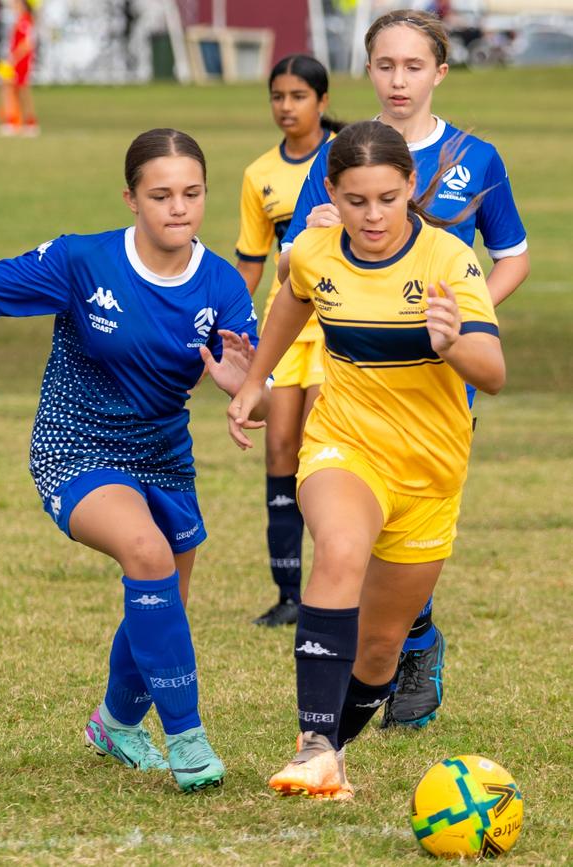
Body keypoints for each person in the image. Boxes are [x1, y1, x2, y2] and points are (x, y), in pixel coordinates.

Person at [0, 127, 270, 793]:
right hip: (74, 446)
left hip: (165, 457)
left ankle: (115, 721)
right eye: (161, 194)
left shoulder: (222, 286)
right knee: (147, 553)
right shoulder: (83, 262)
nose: (179, 207)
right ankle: (189, 740)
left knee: (167, 592)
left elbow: (260, 393)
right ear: (131, 199)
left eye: (192, 193)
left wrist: (247, 390)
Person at [227, 120, 506, 800]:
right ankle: (315, 741)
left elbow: (493, 371)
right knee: (341, 551)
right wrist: (255, 380)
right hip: (344, 443)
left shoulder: (446, 259)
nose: (373, 215)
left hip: (432, 471)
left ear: (410, 186)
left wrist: (453, 345)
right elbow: (290, 305)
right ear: (332, 192)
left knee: (381, 648)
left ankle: (331, 750)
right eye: (356, 200)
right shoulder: (315, 251)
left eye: (387, 197)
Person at [277, 8, 529, 730]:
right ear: (367, 70)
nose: (397, 79)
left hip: (440, 374)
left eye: (413, 66)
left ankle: (412, 643)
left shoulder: (476, 158)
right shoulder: (348, 157)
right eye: (385, 65)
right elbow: (299, 269)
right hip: (350, 369)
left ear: (438, 73)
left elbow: (511, 255)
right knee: (347, 532)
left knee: (411, 528)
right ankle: (336, 706)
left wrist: (464, 315)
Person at [235, 55, 343, 628]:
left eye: (298, 95)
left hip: (335, 322)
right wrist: (225, 316)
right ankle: (288, 594)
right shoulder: (259, 174)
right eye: (277, 95)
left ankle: (336, 585)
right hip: (285, 322)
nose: (286, 106)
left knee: (324, 455)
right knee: (279, 451)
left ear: (322, 103)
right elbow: (252, 262)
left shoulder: (349, 158)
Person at [0, 0, 39, 137]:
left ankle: (29, 123)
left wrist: (13, 59)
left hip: (21, 63)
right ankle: (15, 121)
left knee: (22, 92)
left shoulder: (25, 21)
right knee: (13, 91)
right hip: (17, 62)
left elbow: (26, 44)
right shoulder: (21, 20)